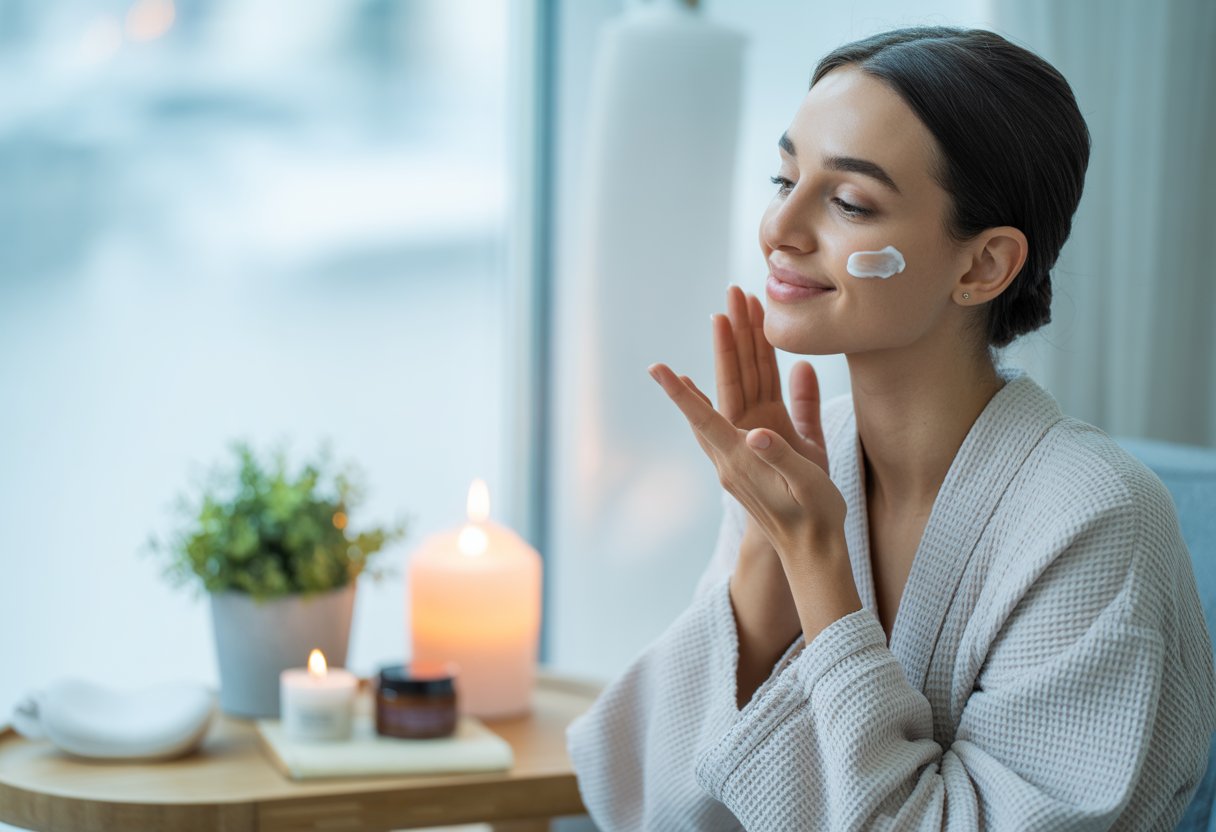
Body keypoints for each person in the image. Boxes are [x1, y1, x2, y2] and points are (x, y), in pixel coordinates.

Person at [566, 26, 1216, 831]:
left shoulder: (1097, 525)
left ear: (982, 267)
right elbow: (650, 806)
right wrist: (768, 556)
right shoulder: (806, 464)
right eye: (784, 177)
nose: (781, 227)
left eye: (848, 202)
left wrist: (818, 564)